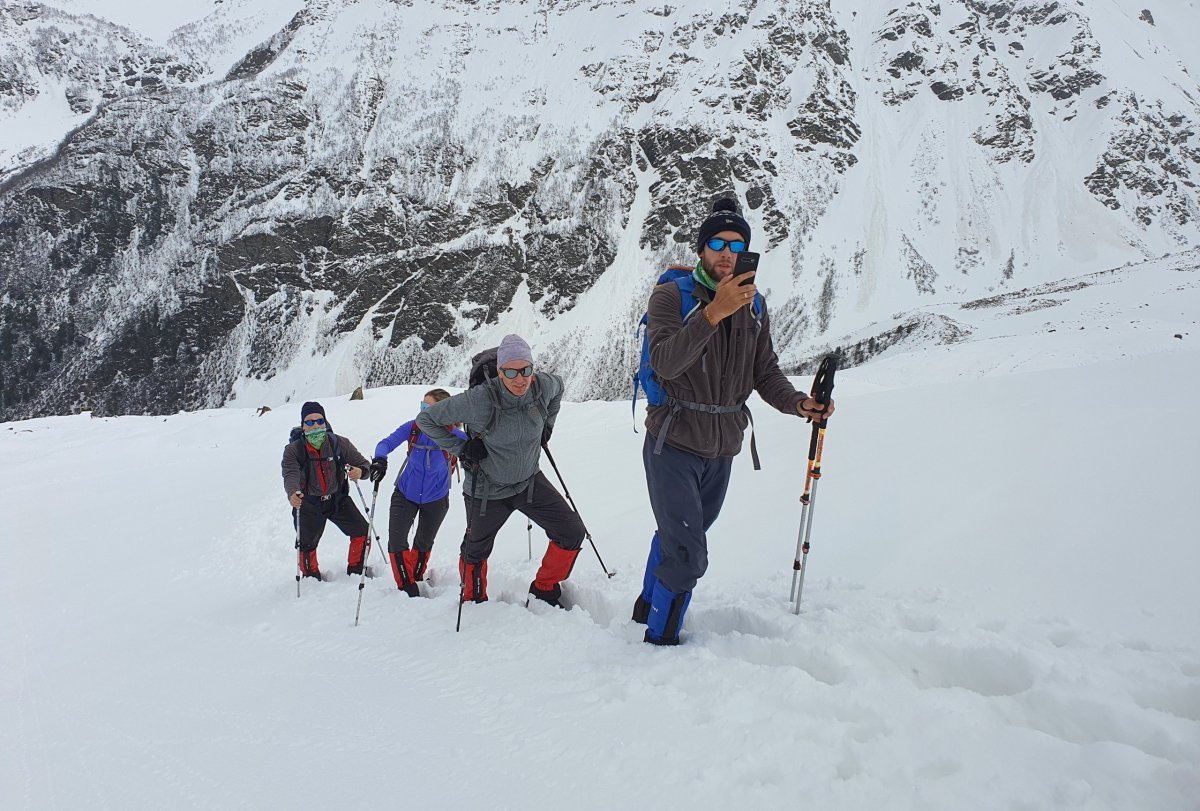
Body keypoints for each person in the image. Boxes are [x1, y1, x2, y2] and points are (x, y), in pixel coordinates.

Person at [634, 197, 836, 645]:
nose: (727, 252)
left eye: (737, 244)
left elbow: (764, 372)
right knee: (688, 556)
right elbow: (666, 362)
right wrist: (714, 313)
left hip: (722, 447)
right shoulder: (670, 296)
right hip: (673, 442)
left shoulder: (755, 306)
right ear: (701, 249)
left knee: (684, 536)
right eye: (717, 243)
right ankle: (659, 643)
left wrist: (800, 404)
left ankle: (646, 605)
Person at [415, 334, 585, 607]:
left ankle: (544, 589)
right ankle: (474, 599)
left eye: (525, 370)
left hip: (529, 481)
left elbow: (559, 389)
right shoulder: (479, 400)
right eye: (510, 372)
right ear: (500, 372)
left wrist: (546, 426)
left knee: (572, 532)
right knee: (475, 551)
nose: (520, 379)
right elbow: (426, 419)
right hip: (487, 490)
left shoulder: (542, 386)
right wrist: (462, 448)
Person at [369, 389, 467, 597]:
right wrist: (380, 459)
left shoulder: (454, 436)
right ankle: (407, 587)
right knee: (397, 542)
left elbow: (475, 451)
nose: (422, 413)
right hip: (405, 493)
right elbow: (385, 443)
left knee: (423, 543)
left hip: (436, 499)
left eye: (428, 408)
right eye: (421, 407)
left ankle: (415, 575)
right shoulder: (413, 428)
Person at [281, 401, 374, 578]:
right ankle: (311, 576)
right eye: (309, 422)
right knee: (307, 543)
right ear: (303, 425)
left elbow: (364, 466)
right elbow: (290, 474)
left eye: (319, 421)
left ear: (325, 422)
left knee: (362, 531)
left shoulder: (339, 443)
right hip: (308, 503)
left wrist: (359, 471)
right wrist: (293, 493)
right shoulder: (294, 450)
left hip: (338, 499)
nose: (315, 425)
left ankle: (356, 568)